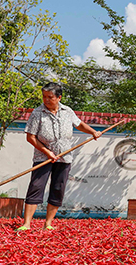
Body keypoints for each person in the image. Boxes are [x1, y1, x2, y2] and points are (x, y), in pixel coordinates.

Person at [17, 82, 100, 231]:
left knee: (58, 188)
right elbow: (31, 137)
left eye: (50, 97)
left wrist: (93, 132)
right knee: (36, 186)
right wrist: (47, 152)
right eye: (44, 97)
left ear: (59, 97)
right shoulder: (38, 113)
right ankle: (26, 224)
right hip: (43, 157)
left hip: (64, 156)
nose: (46, 100)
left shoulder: (67, 111)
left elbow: (79, 124)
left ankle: (48, 223)